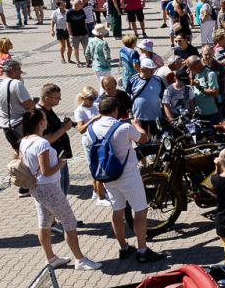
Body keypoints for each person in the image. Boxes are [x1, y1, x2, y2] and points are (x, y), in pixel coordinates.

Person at [18, 108, 101, 270]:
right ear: (41, 122)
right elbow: (47, 170)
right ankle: (80, 259)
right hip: (48, 187)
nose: (47, 121)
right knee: (69, 221)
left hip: (36, 187)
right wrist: (62, 162)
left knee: (44, 223)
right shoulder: (41, 143)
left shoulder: (24, 140)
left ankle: (51, 258)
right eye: (45, 119)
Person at [86, 94, 157, 264]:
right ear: (115, 110)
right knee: (140, 210)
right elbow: (143, 139)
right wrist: (136, 125)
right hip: (128, 175)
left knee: (117, 210)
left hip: (108, 176)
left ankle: (123, 247)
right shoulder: (123, 127)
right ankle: (142, 250)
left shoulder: (91, 129)